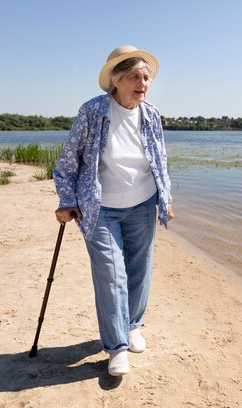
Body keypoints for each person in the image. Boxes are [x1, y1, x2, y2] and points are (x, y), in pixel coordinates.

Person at [53, 45, 174, 377]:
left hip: (143, 204)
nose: (142, 83)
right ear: (117, 80)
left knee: (139, 270)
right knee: (111, 275)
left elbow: (159, 160)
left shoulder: (151, 114)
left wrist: (166, 197)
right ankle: (117, 347)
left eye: (146, 77)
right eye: (135, 76)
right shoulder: (93, 111)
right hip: (100, 207)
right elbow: (66, 163)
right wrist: (67, 200)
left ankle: (133, 325)